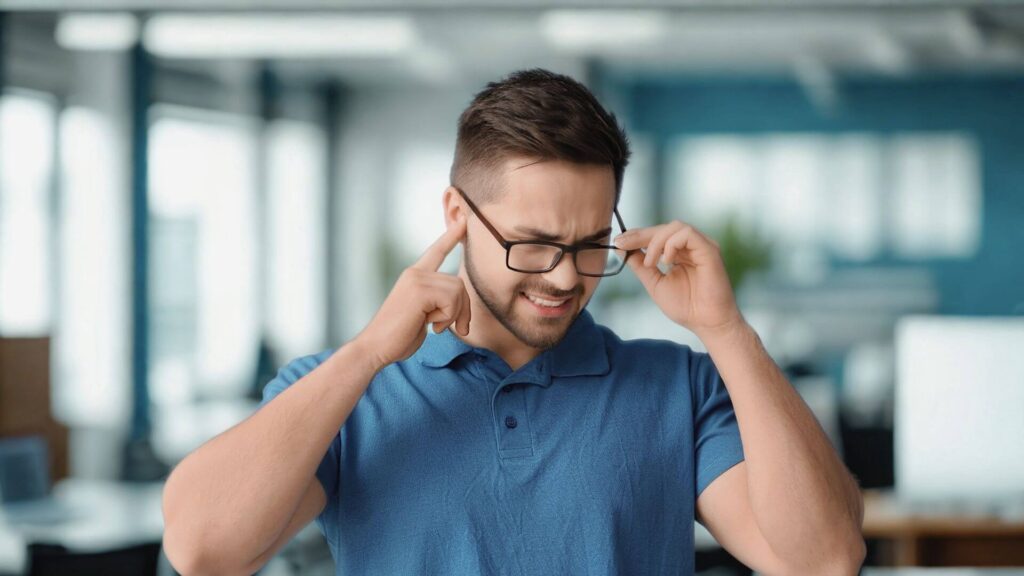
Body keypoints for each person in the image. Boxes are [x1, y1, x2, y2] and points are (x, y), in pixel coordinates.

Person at [162, 68, 865, 575]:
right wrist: (368, 354)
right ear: (458, 217)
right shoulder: (343, 391)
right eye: (532, 243)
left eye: (590, 243)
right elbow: (202, 550)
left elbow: (824, 561)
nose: (564, 277)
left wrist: (727, 332)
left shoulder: (681, 387)